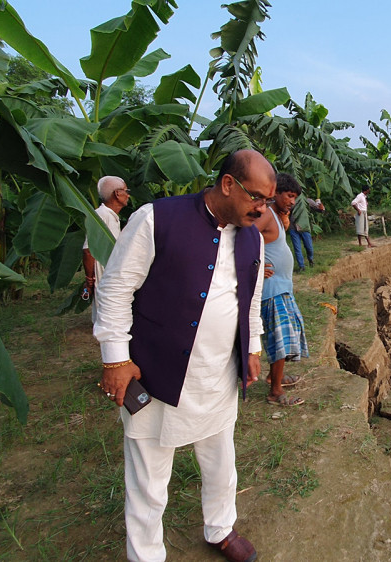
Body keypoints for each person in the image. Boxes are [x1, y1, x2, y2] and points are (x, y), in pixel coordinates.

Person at [94, 150, 275, 562]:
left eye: (267, 200)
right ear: (228, 185)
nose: (263, 209)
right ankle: (146, 556)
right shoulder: (156, 219)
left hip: (218, 374)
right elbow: (116, 289)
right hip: (160, 372)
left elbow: (250, 298)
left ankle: (220, 528)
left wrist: (251, 347)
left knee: (220, 460)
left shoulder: (251, 236)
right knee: (149, 479)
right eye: (257, 198)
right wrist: (115, 358)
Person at [255, 173, 309, 407]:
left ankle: (273, 377)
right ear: (275, 193)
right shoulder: (266, 214)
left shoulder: (276, 216)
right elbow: (241, 237)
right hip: (272, 289)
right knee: (280, 339)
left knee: (287, 335)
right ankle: (275, 392)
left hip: (282, 287)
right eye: (289, 195)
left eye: (295, 197)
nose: (292, 201)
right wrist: (255, 265)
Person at [82, 176, 129, 322]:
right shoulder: (102, 215)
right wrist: (89, 279)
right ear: (117, 194)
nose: (128, 195)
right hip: (103, 274)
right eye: (126, 191)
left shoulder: (111, 216)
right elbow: (88, 249)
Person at [286, 191, 324, 272]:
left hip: (305, 228)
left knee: (309, 247)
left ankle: (310, 259)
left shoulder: (308, 201)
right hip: (293, 227)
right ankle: (301, 266)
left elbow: (320, 210)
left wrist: (320, 205)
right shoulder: (292, 202)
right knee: (297, 248)